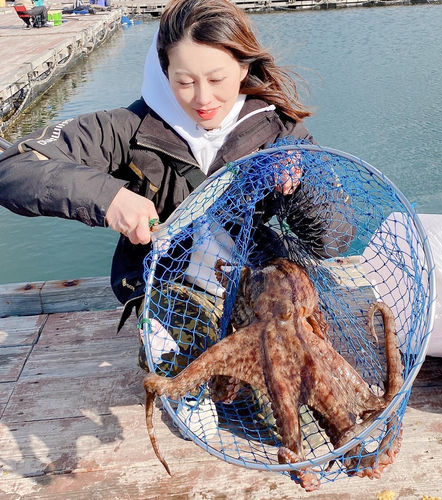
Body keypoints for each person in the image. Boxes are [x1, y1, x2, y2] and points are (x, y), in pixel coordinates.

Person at [0, 0, 356, 431]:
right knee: (193, 348)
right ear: (163, 72)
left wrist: (301, 189)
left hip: (255, 290)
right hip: (174, 285)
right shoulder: (126, 129)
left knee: (277, 407)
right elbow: (14, 167)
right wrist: (108, 195)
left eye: (217, 79)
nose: (203, 99)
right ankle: (179, 367)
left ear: (244, 67)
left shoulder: (281, 132)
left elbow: (336, 238)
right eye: (184, 81)